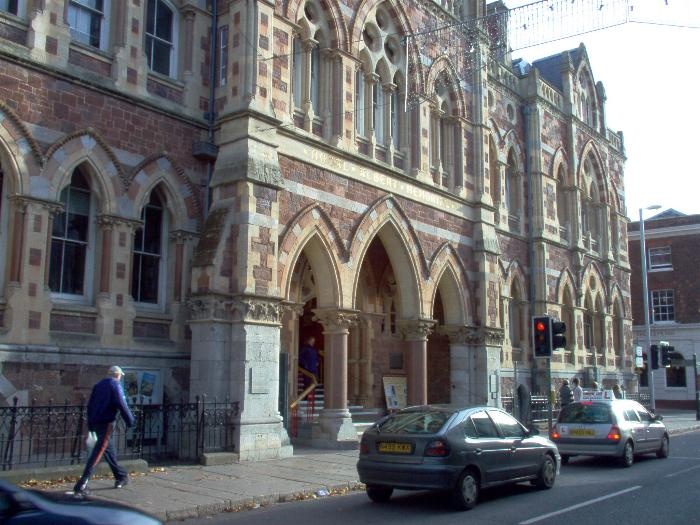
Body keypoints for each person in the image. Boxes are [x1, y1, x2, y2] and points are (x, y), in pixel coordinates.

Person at [73, 366, 135, 496]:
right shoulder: (115, 385)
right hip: (106, 422)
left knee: (107, 450)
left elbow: (90, 405)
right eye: (120, 376)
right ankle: (82, 483)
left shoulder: (98, 385)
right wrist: (130, 420)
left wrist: (90, 424)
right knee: (98, 453)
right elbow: (121, 403)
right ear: (117, 375)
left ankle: (121, 476)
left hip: (96, 421)